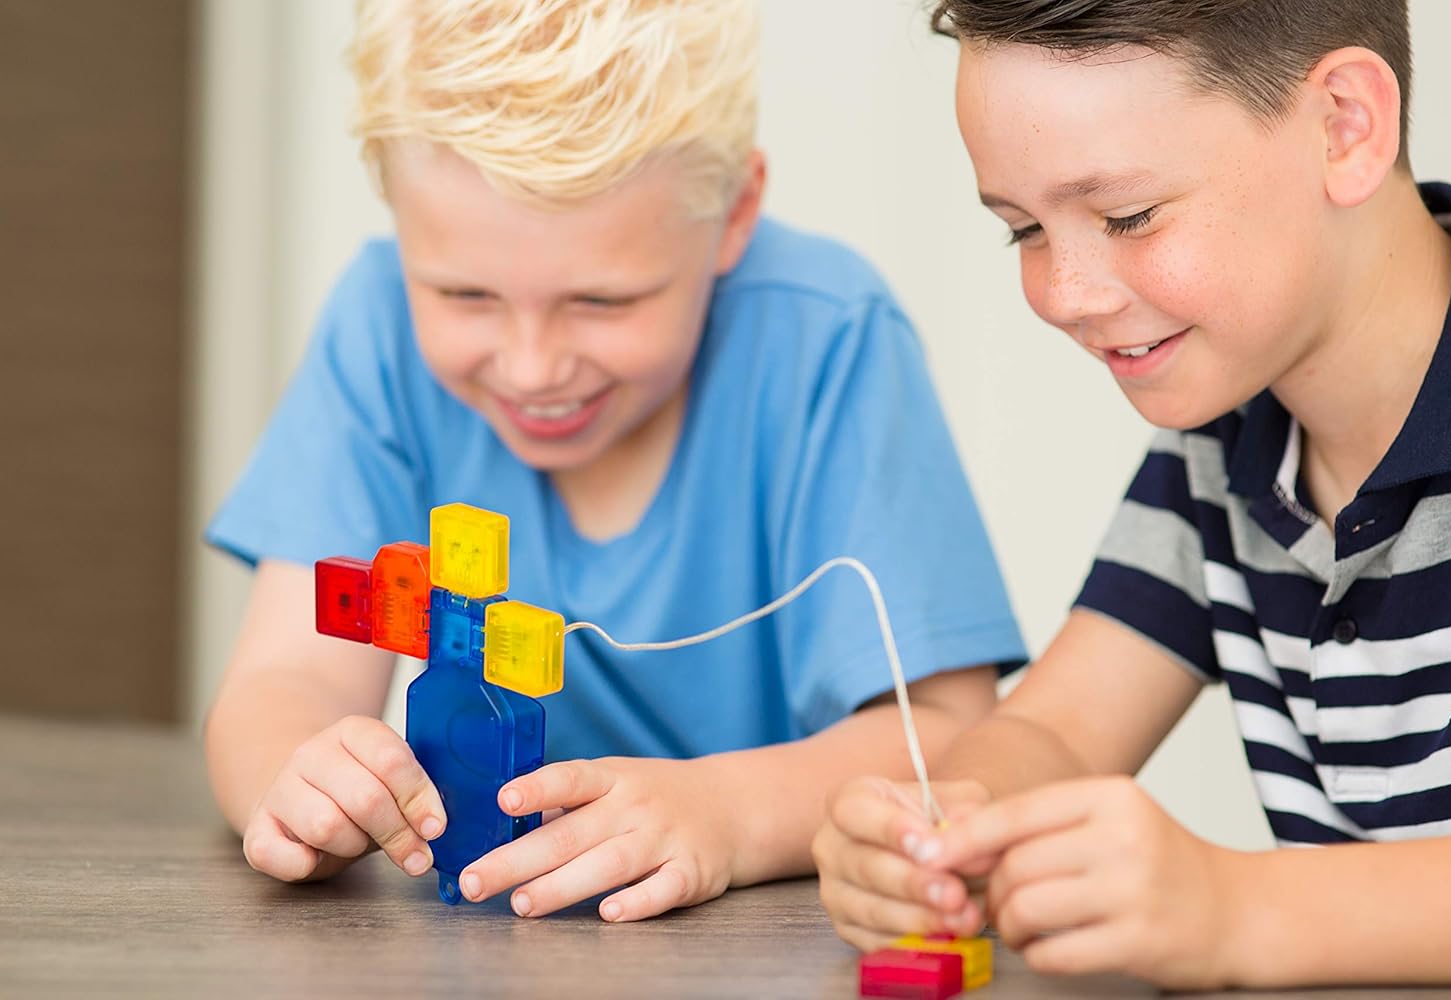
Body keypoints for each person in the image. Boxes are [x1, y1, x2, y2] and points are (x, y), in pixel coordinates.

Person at [202, 0, 1026, 926]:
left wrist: (729, 814)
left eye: (601, 301)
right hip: (496, 934)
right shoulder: (375, 322)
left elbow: (949, 737)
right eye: (465, 294)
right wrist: (300, 779)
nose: (532, 368)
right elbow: (283, 683)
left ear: (734, 214)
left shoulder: (826, 341)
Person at [814, 0, 1451, 988]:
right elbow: (1053, 731)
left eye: (1127, 216)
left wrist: (1237, 909)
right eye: (1024, 231)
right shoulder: (1226, 442)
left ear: (1344, 126)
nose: (1067, 294)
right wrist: (942, 832)